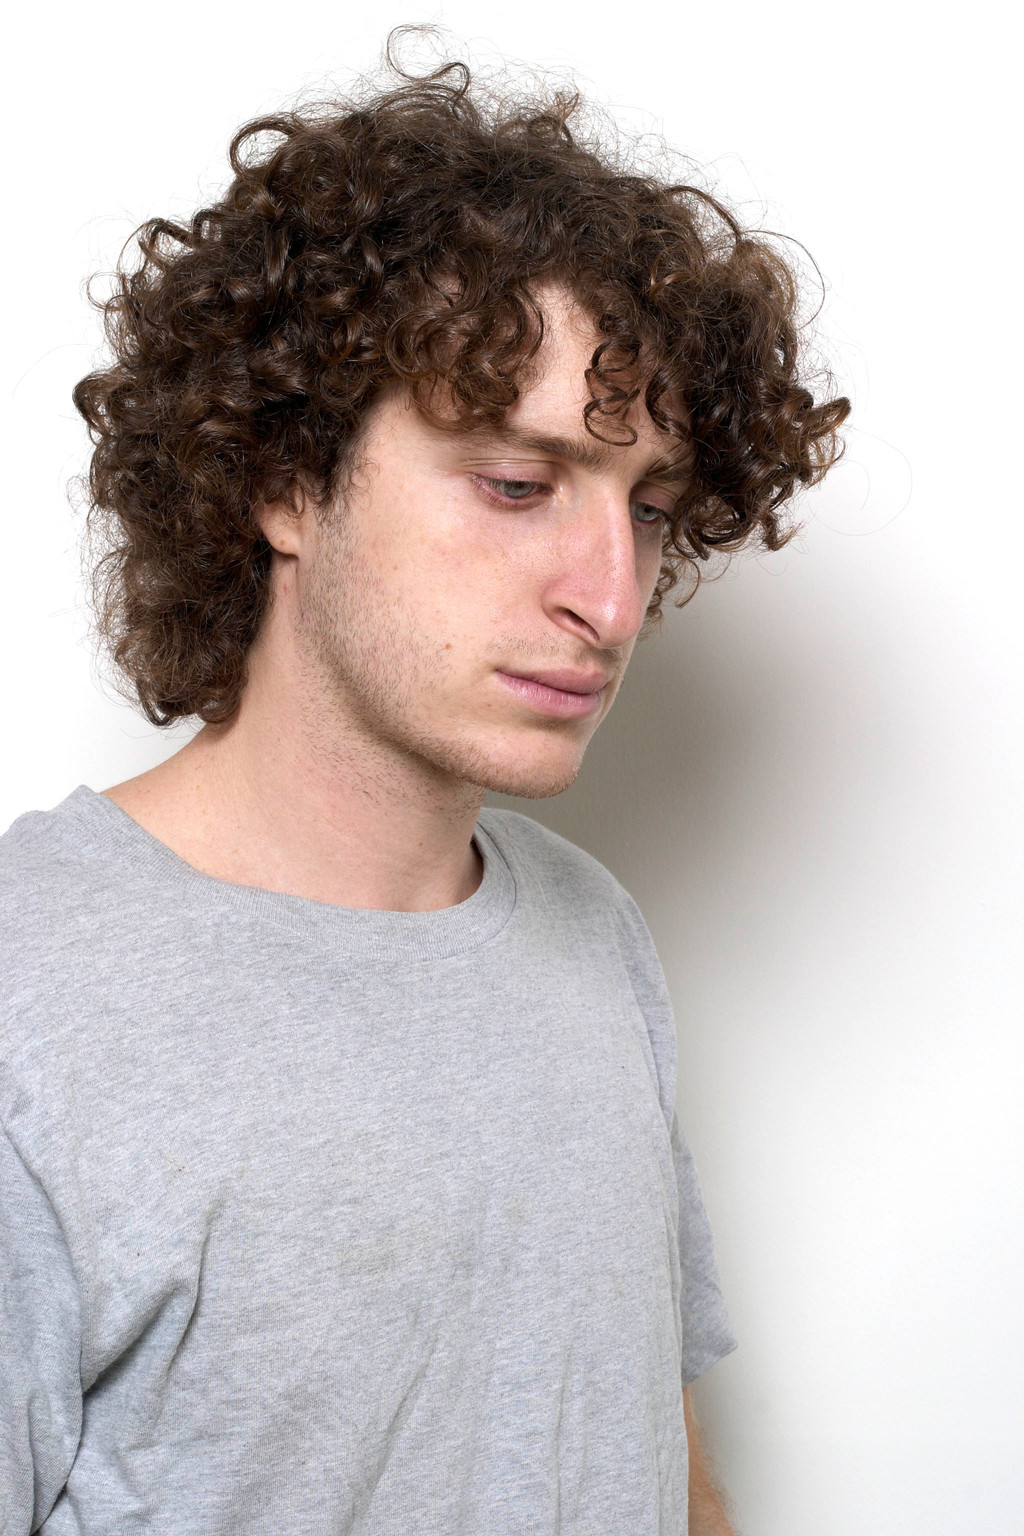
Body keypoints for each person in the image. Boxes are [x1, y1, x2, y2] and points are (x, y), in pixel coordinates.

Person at [0, 35, 848, 1536]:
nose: (612, 598)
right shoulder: (31, 994)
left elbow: (652, 1449)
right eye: (517, 485)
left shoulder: (592, 931)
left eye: (651, 509)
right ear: (282, 479)